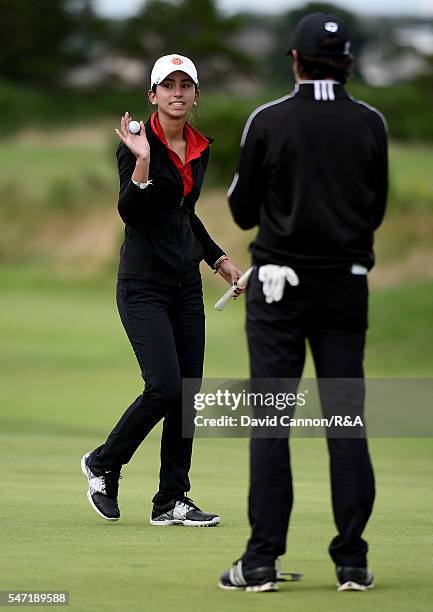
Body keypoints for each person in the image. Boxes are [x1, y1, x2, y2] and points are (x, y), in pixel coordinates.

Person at [219, 13, 387, 591]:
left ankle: (261, 559)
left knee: (271, 421)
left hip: (276, 289)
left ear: (294, 59)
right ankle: (352, 561)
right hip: (344, 286)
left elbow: (242, 210)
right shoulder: (371, 123)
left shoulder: (268, 119)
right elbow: (375, 210)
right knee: (345, 420)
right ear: (347, 62)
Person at [81, 53, 245, 527]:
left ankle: (171, 500)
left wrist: (218, 260)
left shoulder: (199, 147)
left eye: (185, 85)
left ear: (195, 95)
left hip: (184, 287)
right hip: (142, 286)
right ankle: (103, 461)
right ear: (152, 96)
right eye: (167, 85)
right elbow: (132, 212)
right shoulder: (136, 143)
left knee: (187, 395)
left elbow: (184, 215)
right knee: (165, 386)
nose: (177, 93)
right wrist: (143, 161)